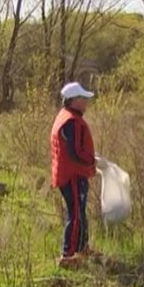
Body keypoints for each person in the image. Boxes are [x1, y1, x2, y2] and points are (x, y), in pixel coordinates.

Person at [50, 82, 102, 268]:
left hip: (69, 173)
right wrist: (91, 161)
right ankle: (68, 255)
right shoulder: (71, 121)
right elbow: (74, 152)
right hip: (72, 175)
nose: (87, 102)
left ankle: (82, 248)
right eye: (84, 99)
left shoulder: (65, 117)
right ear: (75, 100)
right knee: (76, 215)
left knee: (79, 213)